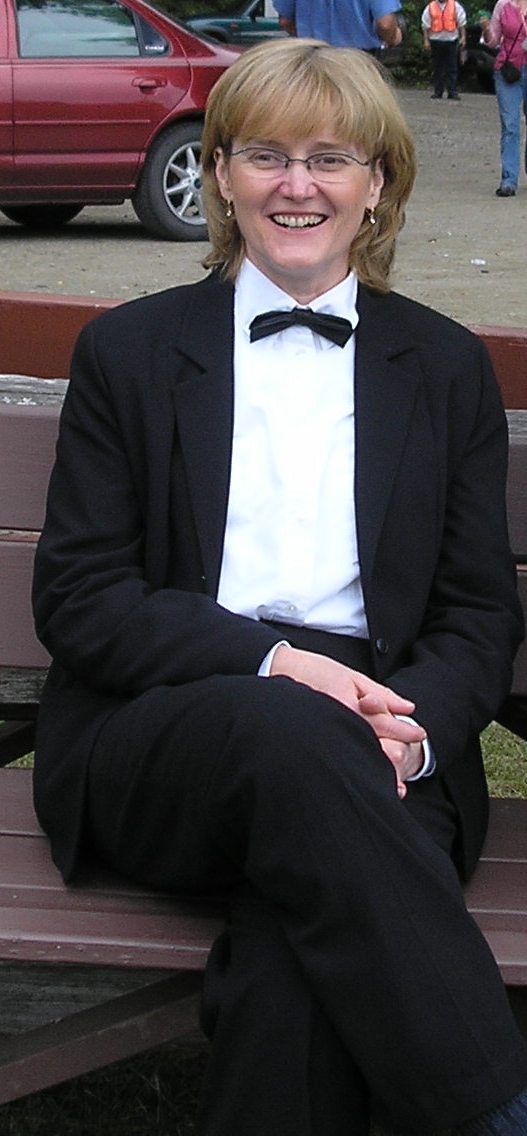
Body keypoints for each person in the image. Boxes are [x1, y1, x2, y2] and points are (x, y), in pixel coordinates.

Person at [32, 38, 527, 1136]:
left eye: (329, 159)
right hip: (161, 732)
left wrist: (416, 731)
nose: (296, 185)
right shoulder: (130, 350)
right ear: (218, 175)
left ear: (376, 184)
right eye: (264, 155)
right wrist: (272, 664)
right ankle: (494, 1106)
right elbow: (81, 596)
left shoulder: (442, 367)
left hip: (385, 739)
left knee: (292, 940)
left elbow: (477, 611)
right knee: (291, 733)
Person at [480, 0, 527, 196]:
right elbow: (492, 41)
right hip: (509, 71)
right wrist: (486, 30)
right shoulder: (503, 5)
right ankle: (509, 180)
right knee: (510, 125)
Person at [275, 0, 402, 54]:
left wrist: (304, 37)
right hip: (359, 59)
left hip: (314, 55)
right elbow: (385, 24)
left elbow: (285, 21)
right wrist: (392, 38)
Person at [421, 0, 467, 99]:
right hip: (435, 40)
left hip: (451, 40)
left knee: (452, 67)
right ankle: (438, 91)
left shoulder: (455, 5)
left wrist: (463, 37)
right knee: (437, 67)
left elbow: (461, 22)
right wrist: (426, 40)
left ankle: (452, 91)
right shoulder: (431, 7)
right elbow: (425, 25)